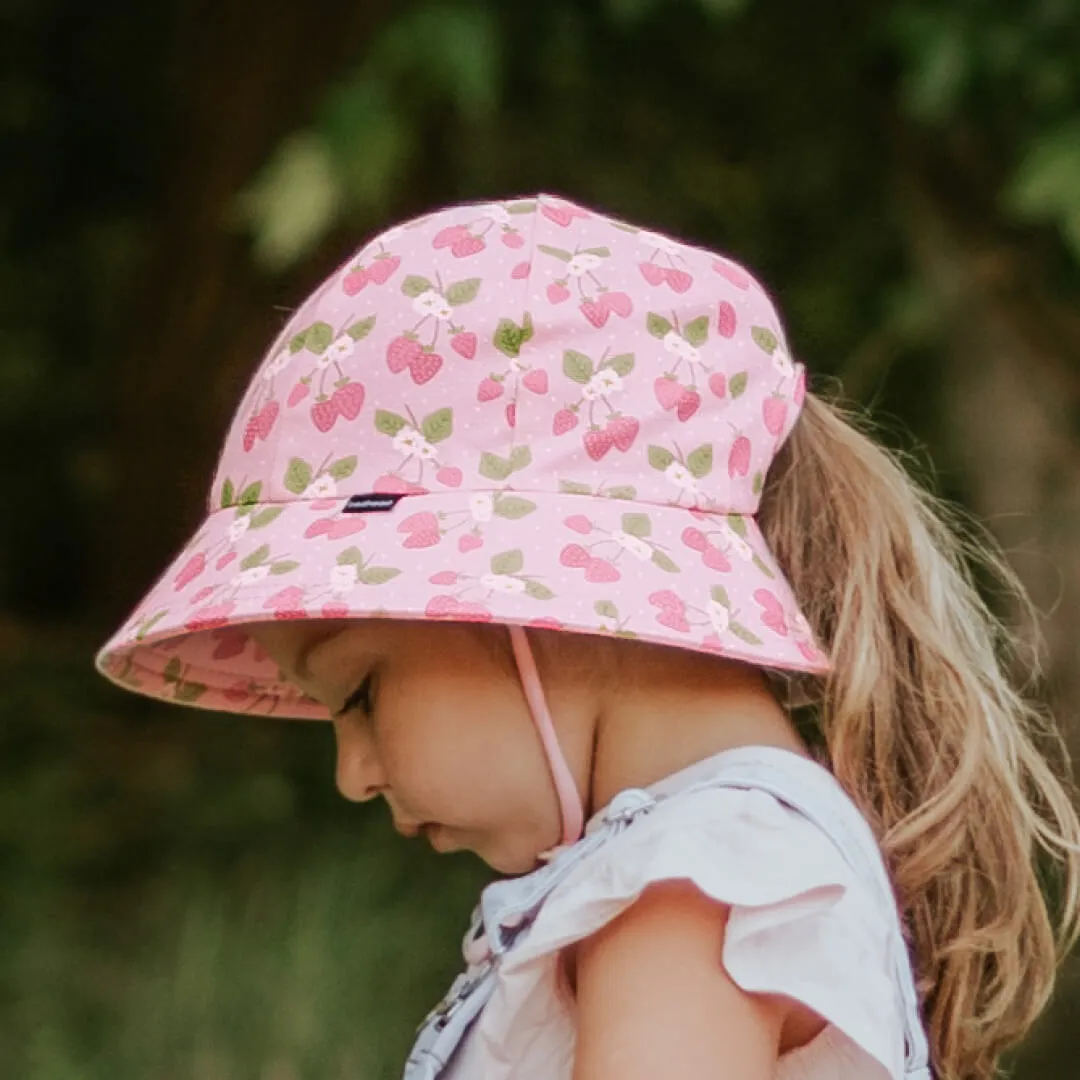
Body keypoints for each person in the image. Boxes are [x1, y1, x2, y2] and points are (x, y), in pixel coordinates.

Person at [96, 194, 1080, 1080]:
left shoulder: (694, 886)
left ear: (527, 601)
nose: (353, 773)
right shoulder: (698, 866)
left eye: (358, 694)